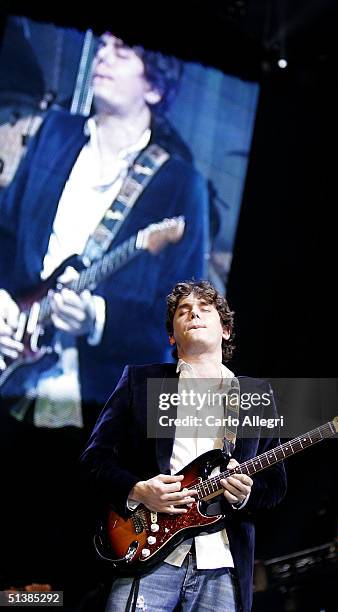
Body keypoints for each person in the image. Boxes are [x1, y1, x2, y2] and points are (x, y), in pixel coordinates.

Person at [0, 33, 209, 593]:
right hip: (10, 371)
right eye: (105, 44)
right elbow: (7, 232)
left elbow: (187, 327)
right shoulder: (57, 133)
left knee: (45, 565)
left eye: (126, 49)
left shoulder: (178, 185)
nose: (105, 56)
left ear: (157, 84)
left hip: (87, 410)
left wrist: (97, 319)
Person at [80, 280, 287, 612]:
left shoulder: (256, 396)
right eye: (183, 310)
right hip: (147, 552)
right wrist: (138, 490)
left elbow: (276, 484)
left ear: (226, 331)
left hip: (223, 560)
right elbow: (94, 459)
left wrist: (246, 492)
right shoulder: (140, 381)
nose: (194, 314)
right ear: (171, 337)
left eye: (205, 309)